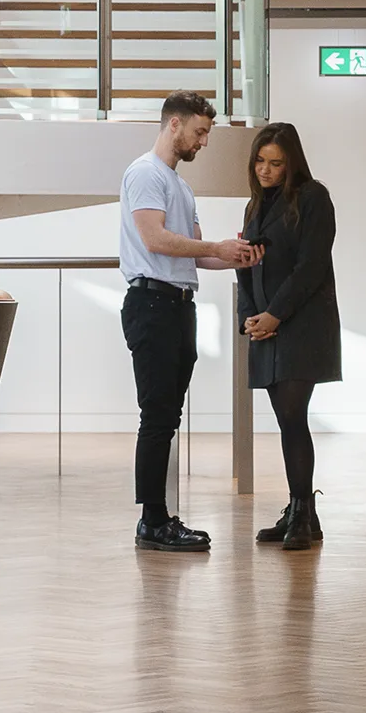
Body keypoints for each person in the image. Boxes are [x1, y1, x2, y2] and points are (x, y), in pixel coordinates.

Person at [118, 91, 259, 551]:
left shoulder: (180, 185)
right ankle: (152, 521)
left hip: (179, 306)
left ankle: (158, 518)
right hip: (152, 306)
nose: (203, 142)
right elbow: (155, 239)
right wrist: (216, 247)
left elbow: (195, 255)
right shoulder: (145, 173)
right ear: (174, 124)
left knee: (167, 415)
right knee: (157, 416)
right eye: (200, 132)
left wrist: (237, 256)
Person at [236, 122, 340, 551]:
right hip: (266, 327)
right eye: (260, 161)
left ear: (292, 163)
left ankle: (301, 510)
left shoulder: (314, 198)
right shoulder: (254, 206)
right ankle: (302, 513)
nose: (265, 170)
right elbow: (245, 265)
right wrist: (249, 318)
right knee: (286, 419)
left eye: (276, 163)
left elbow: (311, 267)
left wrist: (275, 315)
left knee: (293, 414)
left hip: (301, 324)